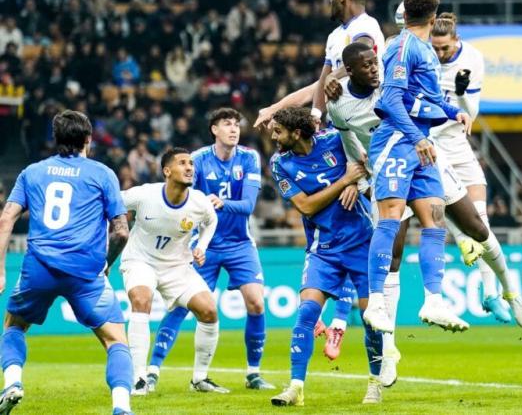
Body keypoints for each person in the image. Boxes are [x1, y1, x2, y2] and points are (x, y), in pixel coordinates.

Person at [327, 41, 491, 386]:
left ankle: (497, 291)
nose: (375, 69)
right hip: (385, 164)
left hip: (422, 153)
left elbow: (423, 97)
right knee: (395, 251)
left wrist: (452, 108)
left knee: (470, 223)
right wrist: (357, 177)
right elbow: (347, 143)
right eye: (367, 65)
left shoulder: (393, 76)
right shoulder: (339, 101)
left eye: (376, 63)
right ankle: (387, 346)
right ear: (351, 70)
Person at [0, 110, 133, 415]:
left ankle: (12, 384)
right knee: (115, 340)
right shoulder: (103, 174)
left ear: (55, 139)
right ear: (89, 139)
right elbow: (121, 232)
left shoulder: (32, 172)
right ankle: (122, 407)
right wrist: (106, 262)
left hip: (38, 269)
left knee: (14, 326)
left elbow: (6, 218)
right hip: (85, 272)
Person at [363, 0, 475, 334]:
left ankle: (434, 300)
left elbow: (426, 96)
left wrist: (454, 111)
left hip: (419, 143)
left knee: (435, 216)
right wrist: (419, 138)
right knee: (392, 216)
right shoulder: (404, 47)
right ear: (433, 16)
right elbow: (392, 100)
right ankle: (376, 302)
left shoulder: (422, 47)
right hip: (398, 140)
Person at [147, 108, 274, 391]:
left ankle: (253, 373)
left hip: (240, 242)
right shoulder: (199, 160)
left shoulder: (250, 157)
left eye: (236, 125)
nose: (233, 129)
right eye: (226, 124)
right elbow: (190, 199)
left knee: (256, 302)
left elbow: (248, 206)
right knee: (182, 305)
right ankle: (153, 370)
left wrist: (219, 203)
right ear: (214, 130)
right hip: (206, 243)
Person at [268, 107, 383, 406]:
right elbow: (305, 206)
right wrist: (344, 182)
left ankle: (375, 383)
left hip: (362, 243)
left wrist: (358, 184)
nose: (272, 135)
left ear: (296, 132)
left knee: (372, 318)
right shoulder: (281, 164)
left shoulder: (335, 140)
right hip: (324, 249)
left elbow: (368, 163)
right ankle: (296, 387)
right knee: (307, 313)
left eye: (278, 130)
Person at [429, 12, 522, 328]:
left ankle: (491, 293)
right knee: (449, 207)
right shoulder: (423, 57)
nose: (439, 54)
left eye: (444, 48)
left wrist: (461, 92)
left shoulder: (473, 58)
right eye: (435, 47)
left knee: (481, 220)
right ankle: (463, 242)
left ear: (456, 41)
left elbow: (471, 113)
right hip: (430, 142)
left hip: (457, 140)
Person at [119, 148, 226, 396]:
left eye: (191, 163)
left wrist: (201, 246)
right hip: (140, 261)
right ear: (167, 171)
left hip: (177, 266)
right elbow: (112, 200)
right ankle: (138, 378)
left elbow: (211, 222)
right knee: (141, 299)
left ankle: (199, 378)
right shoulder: (145, 194)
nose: (190, 167)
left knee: (209, 310)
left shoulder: (199, 202)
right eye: (182, 163)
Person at [254, 0, 384, 128]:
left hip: (369, 115)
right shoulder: (334, 36)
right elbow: (321, 82)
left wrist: (334, 76)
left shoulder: (365, 23)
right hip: (344, 120)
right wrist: (314, 114)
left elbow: (362, 52)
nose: (330, 1)